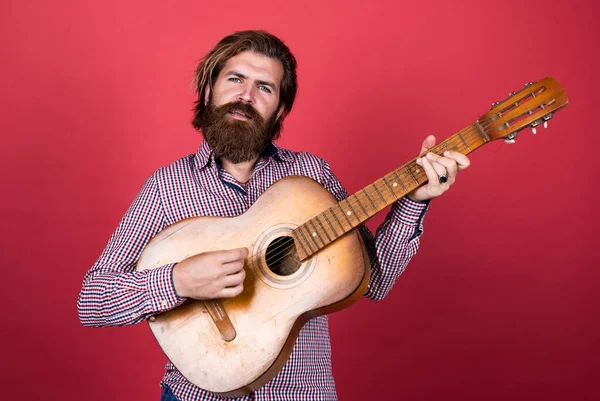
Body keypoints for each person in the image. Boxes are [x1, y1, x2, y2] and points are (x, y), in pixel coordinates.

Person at [77, 30, 470, 401]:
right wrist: (178, 280)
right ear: (210, 89)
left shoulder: (311, 178)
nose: (246, 96)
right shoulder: (166, 186)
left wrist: (413, 200)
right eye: (235, 79)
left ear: (279, 107)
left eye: (264, 87)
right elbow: (91, 302)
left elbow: (374, 281)